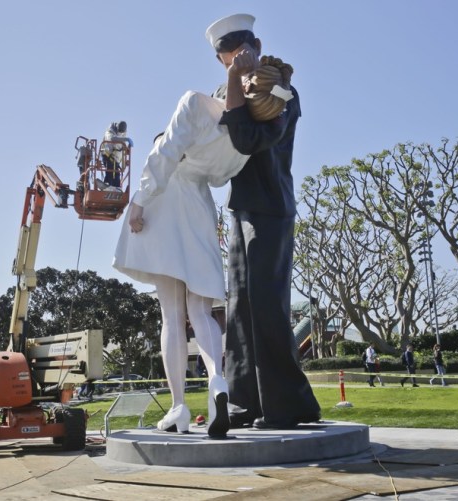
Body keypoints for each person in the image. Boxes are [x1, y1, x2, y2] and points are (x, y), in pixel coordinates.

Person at [206, 13, 321, 429]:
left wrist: (238, 81)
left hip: (271, 205)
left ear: (252, 44)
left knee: (268, 305)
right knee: (238, 307)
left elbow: (249, 139)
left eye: (240, 51)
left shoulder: (278, 85)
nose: (235, 63)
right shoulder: (226, 88)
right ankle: (245, 402)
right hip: (240, 207)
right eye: (229, 58)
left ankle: (289, 405)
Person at [113, 90, 249, 438]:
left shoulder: (165, 149)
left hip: (163, 212)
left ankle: (178, 407)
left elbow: (161, 156)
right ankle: (216, 380)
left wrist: (139, 203)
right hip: (199, 211)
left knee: (172, 316)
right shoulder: (208, 153)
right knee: (201, 311)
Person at [101, 121, 133, 188]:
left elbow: (120, 144)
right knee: (112, 172)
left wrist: (127, 146)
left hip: (115, 158)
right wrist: (126, 139)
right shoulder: (109, 132)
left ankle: (115, 187)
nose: (120, 133)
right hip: (107, 155)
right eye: (119, 131)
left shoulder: (122, 133)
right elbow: (113, 139)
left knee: (116, 173)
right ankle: (109, 185)